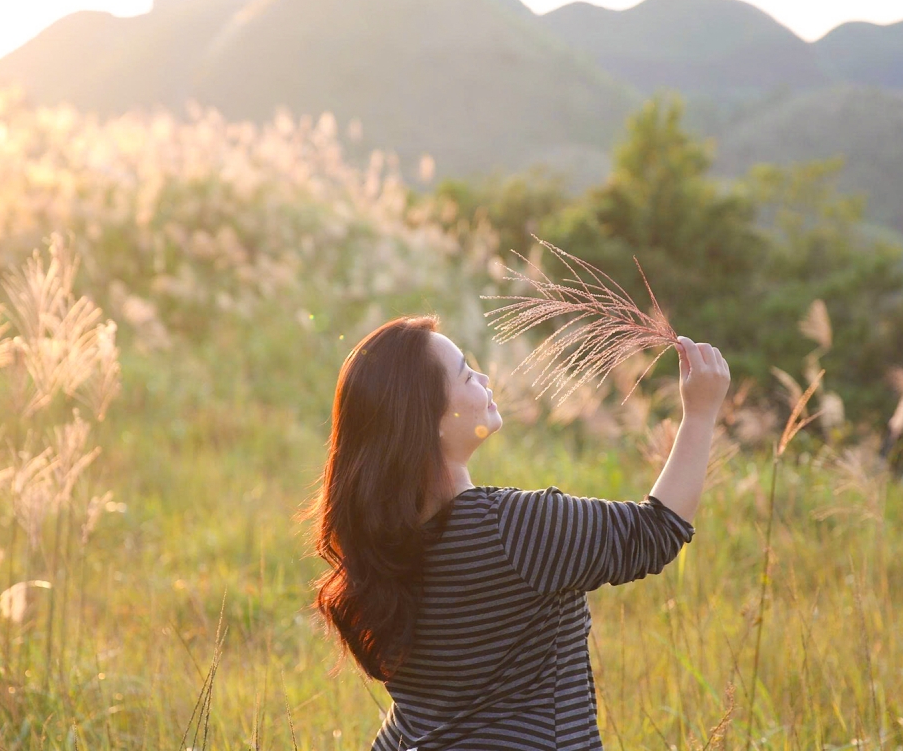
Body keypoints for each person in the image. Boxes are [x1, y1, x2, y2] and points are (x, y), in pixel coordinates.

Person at [308, 314, 730, 750]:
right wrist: (700, 414)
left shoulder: (381, 547)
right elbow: (656, 531)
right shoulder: (512, 527)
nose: (484, 378)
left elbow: (419, 713)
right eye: (466, 374)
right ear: (429, 419)